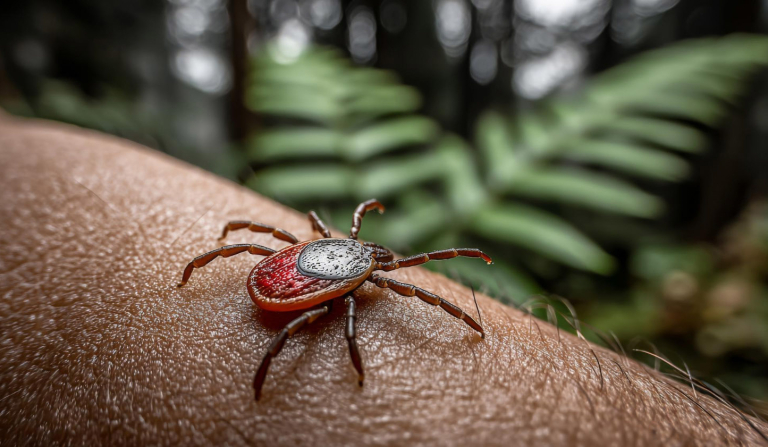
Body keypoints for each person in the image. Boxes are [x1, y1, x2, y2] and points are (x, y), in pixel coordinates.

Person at [1, 114, 765, 446]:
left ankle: (250, 297)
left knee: (272, 263)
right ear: (352, 243)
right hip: (293, 283)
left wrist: (282, 252)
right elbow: (388, 269)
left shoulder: (343, 252)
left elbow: (318, 242)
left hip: (289, 278)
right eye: (360, 236)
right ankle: (270, 335)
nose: (372, 258)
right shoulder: (359, 265)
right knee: (326, 314)